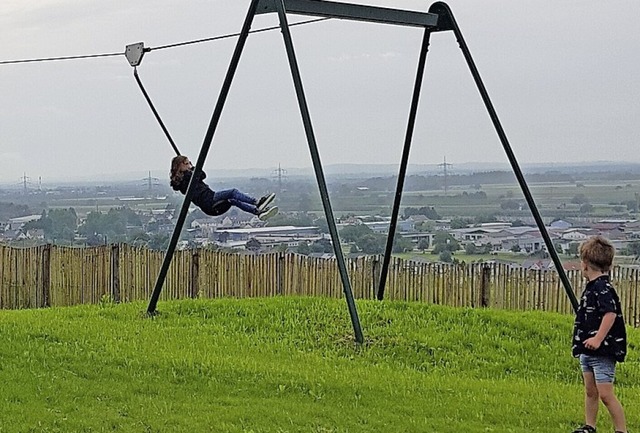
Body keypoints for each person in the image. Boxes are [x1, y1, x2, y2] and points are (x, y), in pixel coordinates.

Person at [571, 235, 627, 433]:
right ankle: (590, 426)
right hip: (587, 350)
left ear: (585, 265)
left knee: (605, 394)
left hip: (602, 350)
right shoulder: (592, 289)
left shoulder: (603, 289)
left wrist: (597, 338)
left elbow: (610, 314)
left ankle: (621, 430)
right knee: (590, 390)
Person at [169, 155, 277, 220]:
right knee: (232, 192)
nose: (189, 165)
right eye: (187, 164)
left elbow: (202, 175)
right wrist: (193, 169)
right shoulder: (185, 180)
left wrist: (192, 169)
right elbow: (200, 175)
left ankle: (257, 212)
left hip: (210, 205)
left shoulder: (184, 179)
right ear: (181, 166)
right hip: (209, 200)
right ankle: (257, 203)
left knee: (233, 200)